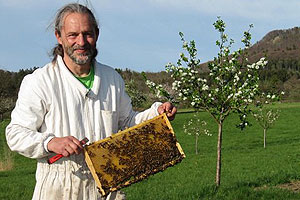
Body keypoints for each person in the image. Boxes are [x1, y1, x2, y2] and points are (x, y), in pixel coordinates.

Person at [5, 3, 176, 200]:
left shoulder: (112, 79)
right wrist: (51, 142)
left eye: (87, 34)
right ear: (58, 36)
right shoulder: (39, 81)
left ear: (97, 34)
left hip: (106, 185)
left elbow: (128, 122)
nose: (81, 41)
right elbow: (15, 133)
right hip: (58, 188)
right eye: (73, 35)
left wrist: (157, 114)